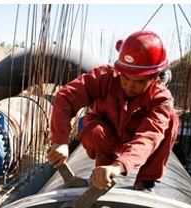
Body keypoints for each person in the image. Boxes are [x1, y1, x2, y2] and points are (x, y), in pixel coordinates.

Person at [47, 30, 180, 192]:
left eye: (139, 81)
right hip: (108, 135)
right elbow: (66, 96)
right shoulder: (105, 76)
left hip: (136, 137)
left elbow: (149, 137)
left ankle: (146, 182)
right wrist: (60, 140)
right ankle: (102, 172)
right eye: (125, 77)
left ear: (155, 77)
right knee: (93, 130)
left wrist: (120, 166)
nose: (129, 85)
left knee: (172, 120)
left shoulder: (161, 99)